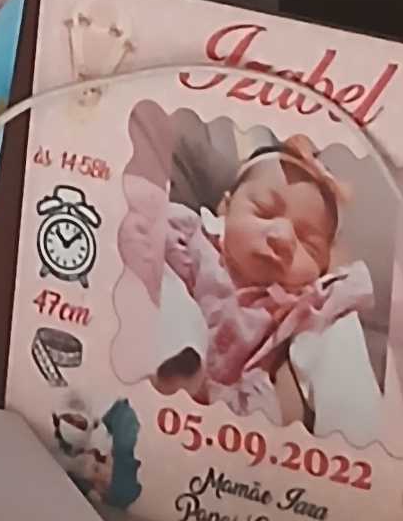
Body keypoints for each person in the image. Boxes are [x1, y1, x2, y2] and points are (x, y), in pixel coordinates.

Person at [155, 139, 374, 419]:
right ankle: (179, 356)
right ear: (226, 208)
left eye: (308, 244)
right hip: (161, 366)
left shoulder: (303, 304)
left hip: (238, 412)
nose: (283, 238)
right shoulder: (192, 240)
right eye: (263, 211)